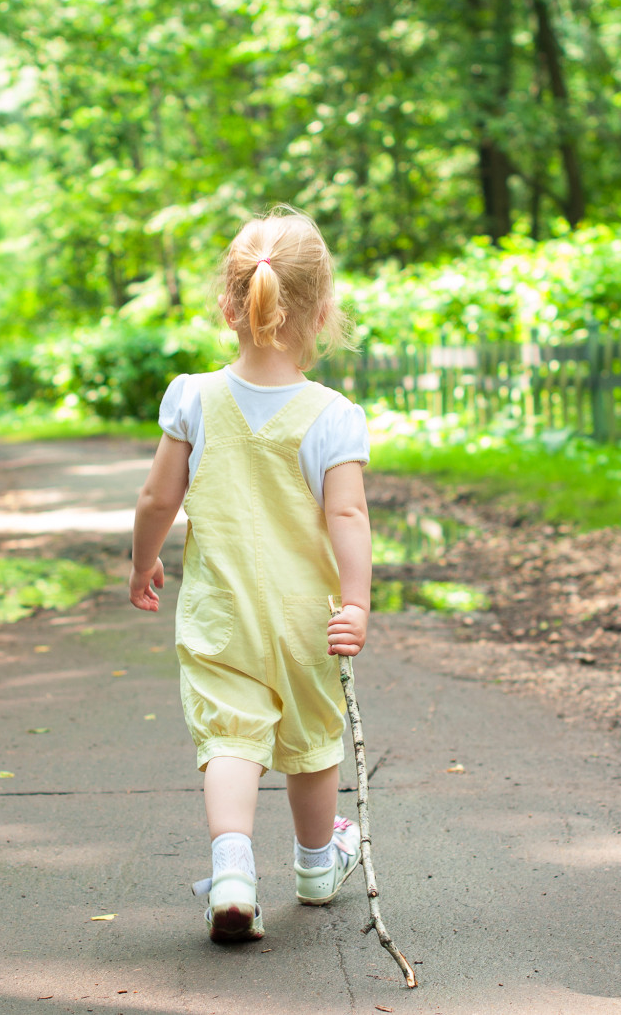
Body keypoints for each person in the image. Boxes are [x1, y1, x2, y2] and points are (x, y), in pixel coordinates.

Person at [128, 207, 372, 944]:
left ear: (230, 304)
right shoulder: (333, 414)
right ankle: (315, 866)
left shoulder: (191, 398)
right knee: (310, 743)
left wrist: (144, 561)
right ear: (323, 313)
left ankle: (233, 869)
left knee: (231, 740)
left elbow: (157, 499)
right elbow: (349, 518)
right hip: (305, 621)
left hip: (221, 616)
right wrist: (356, 604)